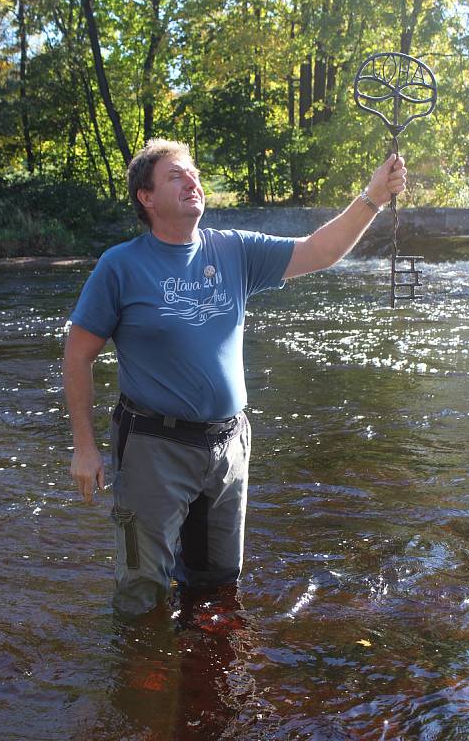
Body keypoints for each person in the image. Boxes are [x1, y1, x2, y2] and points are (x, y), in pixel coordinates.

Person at [63, 138, 406, 617]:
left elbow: (319, 251)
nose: (192, 181)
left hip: (228, 447)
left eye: (194, 172)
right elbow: (77, 355)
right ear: (146, 197)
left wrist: (372, 197)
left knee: (217, 588)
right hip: (152, 449)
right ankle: (141, 682)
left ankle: (207, 684)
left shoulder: (235, 250)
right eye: (175, 175)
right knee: (143, 593)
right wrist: (84, 446)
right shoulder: (120, 265)